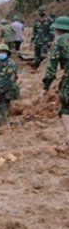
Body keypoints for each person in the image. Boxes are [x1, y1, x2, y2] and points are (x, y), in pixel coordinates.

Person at [42, 15, 69, 144]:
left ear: (58, 29)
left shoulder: (59, 42)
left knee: (66, 109)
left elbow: (52, 67)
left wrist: (46, 86)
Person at [0, 44, 20, 128]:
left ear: (7, 53)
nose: (1, 54)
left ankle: (3, 128)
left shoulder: (10, 65)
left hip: (6, 91)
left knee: (2, 110)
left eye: (3, 52)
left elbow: (8, 80)